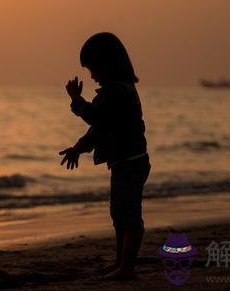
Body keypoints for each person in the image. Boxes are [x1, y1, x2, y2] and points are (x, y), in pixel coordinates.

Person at [59, 32, 150, 280]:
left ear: (107, 63)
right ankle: (121, 262)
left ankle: (127, 267)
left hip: (131, 163)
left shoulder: (119, 92)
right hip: (123, 162)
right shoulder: (113, 92)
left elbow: (95, 118)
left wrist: (77, 100)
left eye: (93, 68)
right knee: (118, 213)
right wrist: (78, 148)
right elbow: (100, 129)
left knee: (129, 214)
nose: (91, 75)